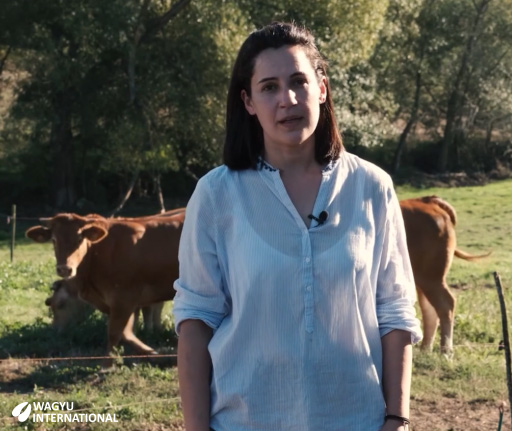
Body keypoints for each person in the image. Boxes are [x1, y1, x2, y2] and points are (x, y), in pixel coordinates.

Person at [173, 21, 422, 431]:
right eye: (268, 87)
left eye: (299, 82)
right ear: (248, 102)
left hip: (357, 420)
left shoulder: (371, 187)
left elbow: (395, 311)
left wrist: (397, 418)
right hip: (245, 421)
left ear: (321, 89)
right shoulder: (216, 195)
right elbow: (196, 321)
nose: (287, 99)